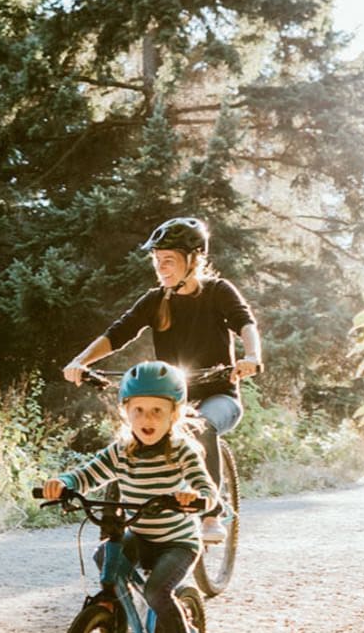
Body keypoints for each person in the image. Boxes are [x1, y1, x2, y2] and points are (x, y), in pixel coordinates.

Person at [62, 217, 261, 545]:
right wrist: (81, 362)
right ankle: (118, 523)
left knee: (202, 426)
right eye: (157, 261)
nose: (161, 267)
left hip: (219, 395)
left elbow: (245, 323)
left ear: (193, 260)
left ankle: (210, 511)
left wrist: (251, 356)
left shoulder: (217, 292)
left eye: (169, 260)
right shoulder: (156, 300)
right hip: (171, 401)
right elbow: (119, 333)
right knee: (131, 438)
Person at [41, 361, 216, 633]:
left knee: (156, 592)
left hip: (178, 542)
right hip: (142, 533)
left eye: (156, 411)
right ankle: (114, 613)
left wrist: (196, 497)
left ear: (174, 415)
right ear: (125, 412)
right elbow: (87, 475)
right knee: (104, 554)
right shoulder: (122, 452)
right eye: (138, 410)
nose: (146, 419)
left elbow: (206, 490)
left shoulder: (183, 451)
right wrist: (63, 483)